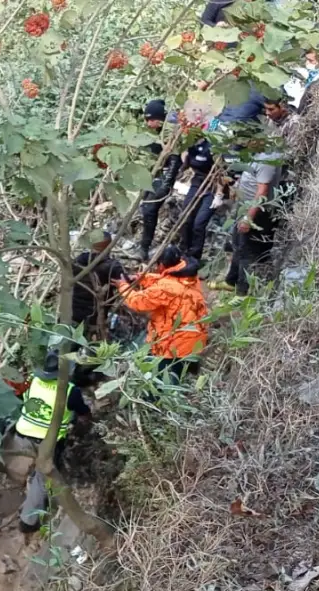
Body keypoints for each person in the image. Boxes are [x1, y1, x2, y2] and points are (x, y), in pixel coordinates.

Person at [11, 351, 92, 533]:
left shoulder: (33, 380)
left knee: (36, 474)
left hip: (22, 433)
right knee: (42, 478)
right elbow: (83, 413)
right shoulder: (70, 390)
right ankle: (28, 522)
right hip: (47, 442)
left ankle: (31, 500)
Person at [117, 245, 209, 380]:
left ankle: (157, 396)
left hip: (174, 345)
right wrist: (141, 278)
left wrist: (122, 286)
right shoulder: (189, 276)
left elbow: (137, 302)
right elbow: (166, 278)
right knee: (180, 371)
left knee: (159, 378)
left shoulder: (166, 287)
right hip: (195, 337)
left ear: (161, 265)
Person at [216, 146, 282, 294]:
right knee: (238, 245)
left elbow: (262, 191)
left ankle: (242, 292)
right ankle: (231, 281)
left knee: (247, 251)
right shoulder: (256, 154)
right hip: (245, 208)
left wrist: (248, 218)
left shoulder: (267, 159)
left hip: (257, 212)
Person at [140, 99, 183, 262]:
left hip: (163, 176)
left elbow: (174, 159)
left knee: (150, 210)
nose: (148, 124)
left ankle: (144, 247)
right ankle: (144, 245)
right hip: (153, 175)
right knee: (146, 210)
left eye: (151, 120)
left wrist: (166, 183)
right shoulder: (155, 132)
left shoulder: (169, 131)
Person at [71, 232, 124, 334]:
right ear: (110, 246)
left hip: (72, 312)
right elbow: (127, 284)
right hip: (95, 317)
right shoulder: (112, 267)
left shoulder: (76, 262)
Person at [177, 136, 218, 263]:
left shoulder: (213, 149)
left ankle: (194, 257)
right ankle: (184, 252)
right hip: (197, 183)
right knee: (185, 218)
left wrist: (220, 194)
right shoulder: (192, 147)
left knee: (199, 224)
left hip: (213, 187)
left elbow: (222, 174)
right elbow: (186, 164)